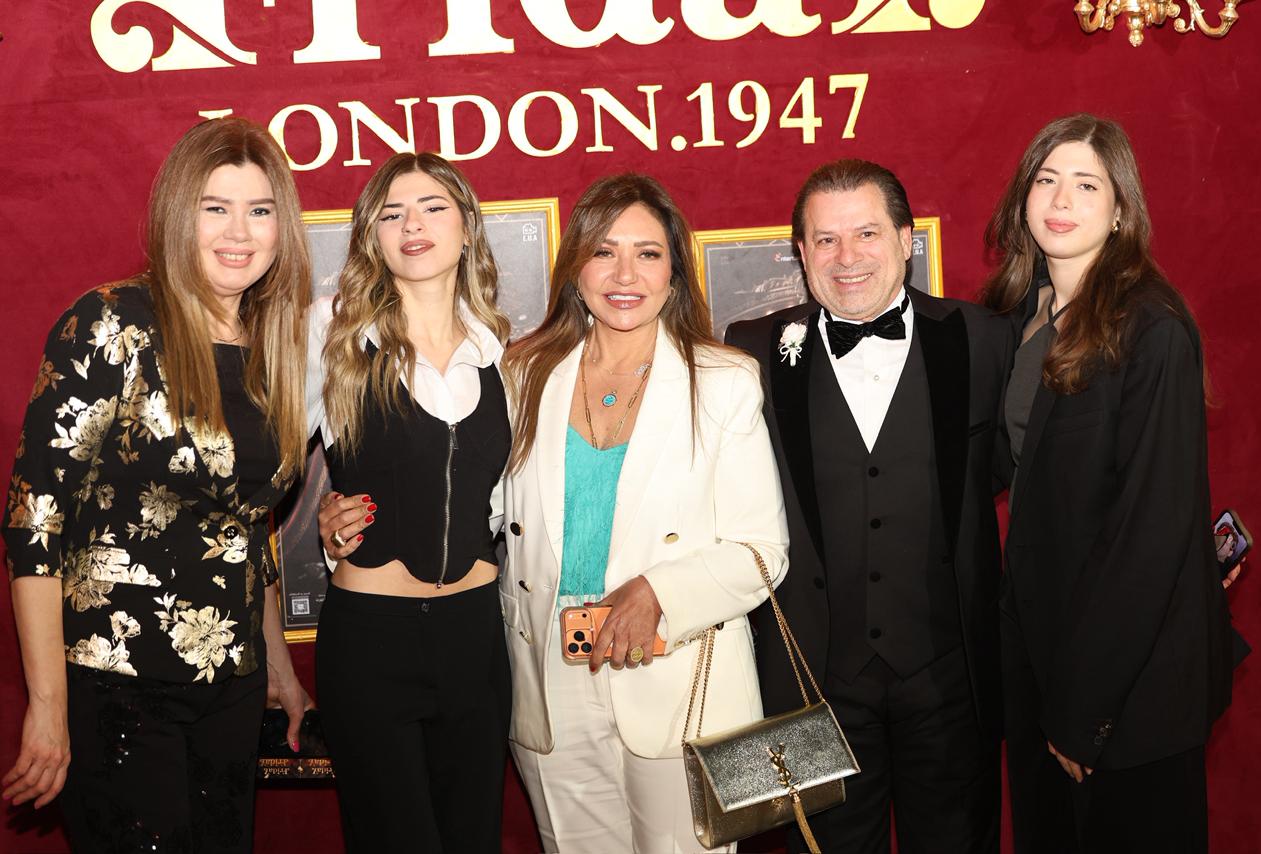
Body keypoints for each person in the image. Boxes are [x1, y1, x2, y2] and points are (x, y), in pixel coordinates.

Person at [1, 117, 312, 852]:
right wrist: (48, 704)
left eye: (259, 210)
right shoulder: (113, 323)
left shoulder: (274, 343)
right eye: (215, 207)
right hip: (119, 683)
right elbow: (34, 520)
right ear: (178, 213)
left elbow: (248, 527)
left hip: (232, 686)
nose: (239, 232)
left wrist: (278, 666)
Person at [726, 159, 1013, 854]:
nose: (846, 257)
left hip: (951, 679)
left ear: (906, 240)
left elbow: (1023, 475)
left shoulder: (983, 338)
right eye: (825, 239)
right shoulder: (750, 350)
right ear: (801, 252)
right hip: (807, 684)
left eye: (866, 234)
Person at [500, 173, 787, 853]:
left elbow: (761, 552)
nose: (625, 274)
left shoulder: (723, 382)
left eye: (648, 253)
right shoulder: (523, 376)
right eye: (604, 251)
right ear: (576, 268)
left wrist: (657, 591)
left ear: (674, 273)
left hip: (683, 671)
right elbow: (473, 509)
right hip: (550, 675)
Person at [982, 114, 1233, 854]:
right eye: (1047, 179)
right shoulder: (1023, 316)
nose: (1062, 199)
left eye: (1087, 185)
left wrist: (1085, 711)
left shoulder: (1152, 329)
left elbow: (1149, 535)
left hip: (1125, 687)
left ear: (1121, 209)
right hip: (1044, 658)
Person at [307, 151, 512, 853]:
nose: (412, 225)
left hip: (476, 639)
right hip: (372, 644)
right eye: (391, 214)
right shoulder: (328, 334)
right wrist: (323, 521)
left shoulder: (503, 350)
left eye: (432, 208)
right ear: (373, 236)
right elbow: (256, 466)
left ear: (467, 226)